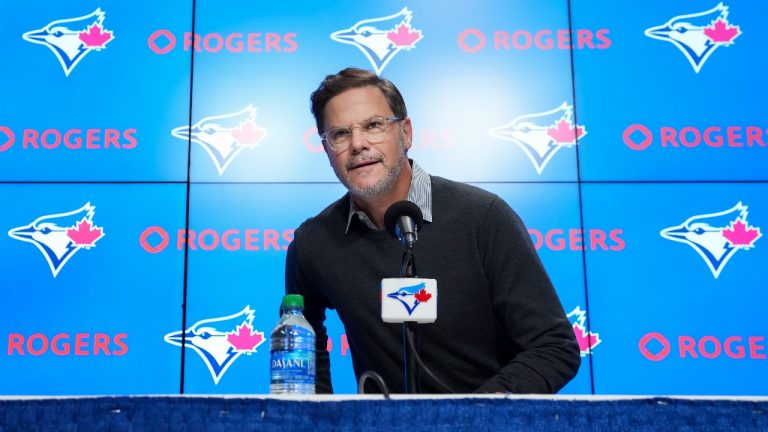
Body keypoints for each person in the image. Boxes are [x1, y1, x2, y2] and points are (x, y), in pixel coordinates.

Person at [285, 67, 580, 394]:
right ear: (326, 150)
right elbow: (303, 344)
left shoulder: (483, 217)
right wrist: (322, 421)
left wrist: (467, 420)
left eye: (373, 125)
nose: (358, 144)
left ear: (406, 133)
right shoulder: (313, 243)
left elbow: (554, 347)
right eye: (339, 134)